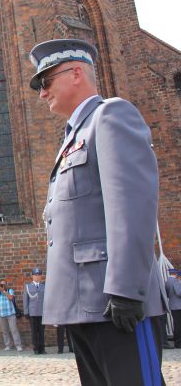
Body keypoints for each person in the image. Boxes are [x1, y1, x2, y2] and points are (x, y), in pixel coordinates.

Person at [31, 39, 167, 385]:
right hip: (84, 304)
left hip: (115, 302)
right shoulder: (73, 136)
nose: (42, 93)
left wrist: (126, 288)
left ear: (76, 73)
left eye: (45, 82)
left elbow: (131, 205)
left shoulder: (110, 116)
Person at [0, 280, 23, 352]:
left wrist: (4, 291)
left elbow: (11, 298)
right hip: (1, 315)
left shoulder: (10, 290)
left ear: (6, 285)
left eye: (4, 284)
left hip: (10, 314)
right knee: (5, 331)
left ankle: (18, 345)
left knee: (14, 330)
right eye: (1, 284)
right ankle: (8, 345)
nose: (2, 286)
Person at [23, 268, 46, 354]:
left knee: (41, 332)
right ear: (32, 276)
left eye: (39, 275)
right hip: (32, 313)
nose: (37, 277)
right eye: (35, 275)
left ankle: (42, 349)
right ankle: (36, 349)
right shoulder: (28, 287)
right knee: (34, 332)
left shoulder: (44, 286)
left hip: (42, 313)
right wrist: (26, 312)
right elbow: (25, 300)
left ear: (41, 276)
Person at [166, 269, 181, 349]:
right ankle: (178, 343)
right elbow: (179, 293)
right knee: (179, 325)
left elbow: (167, 294)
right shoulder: (175, 281)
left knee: (177, 324)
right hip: (179, 306)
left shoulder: (168, 281)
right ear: (176, 273)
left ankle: (176, 340)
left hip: (173, 306)